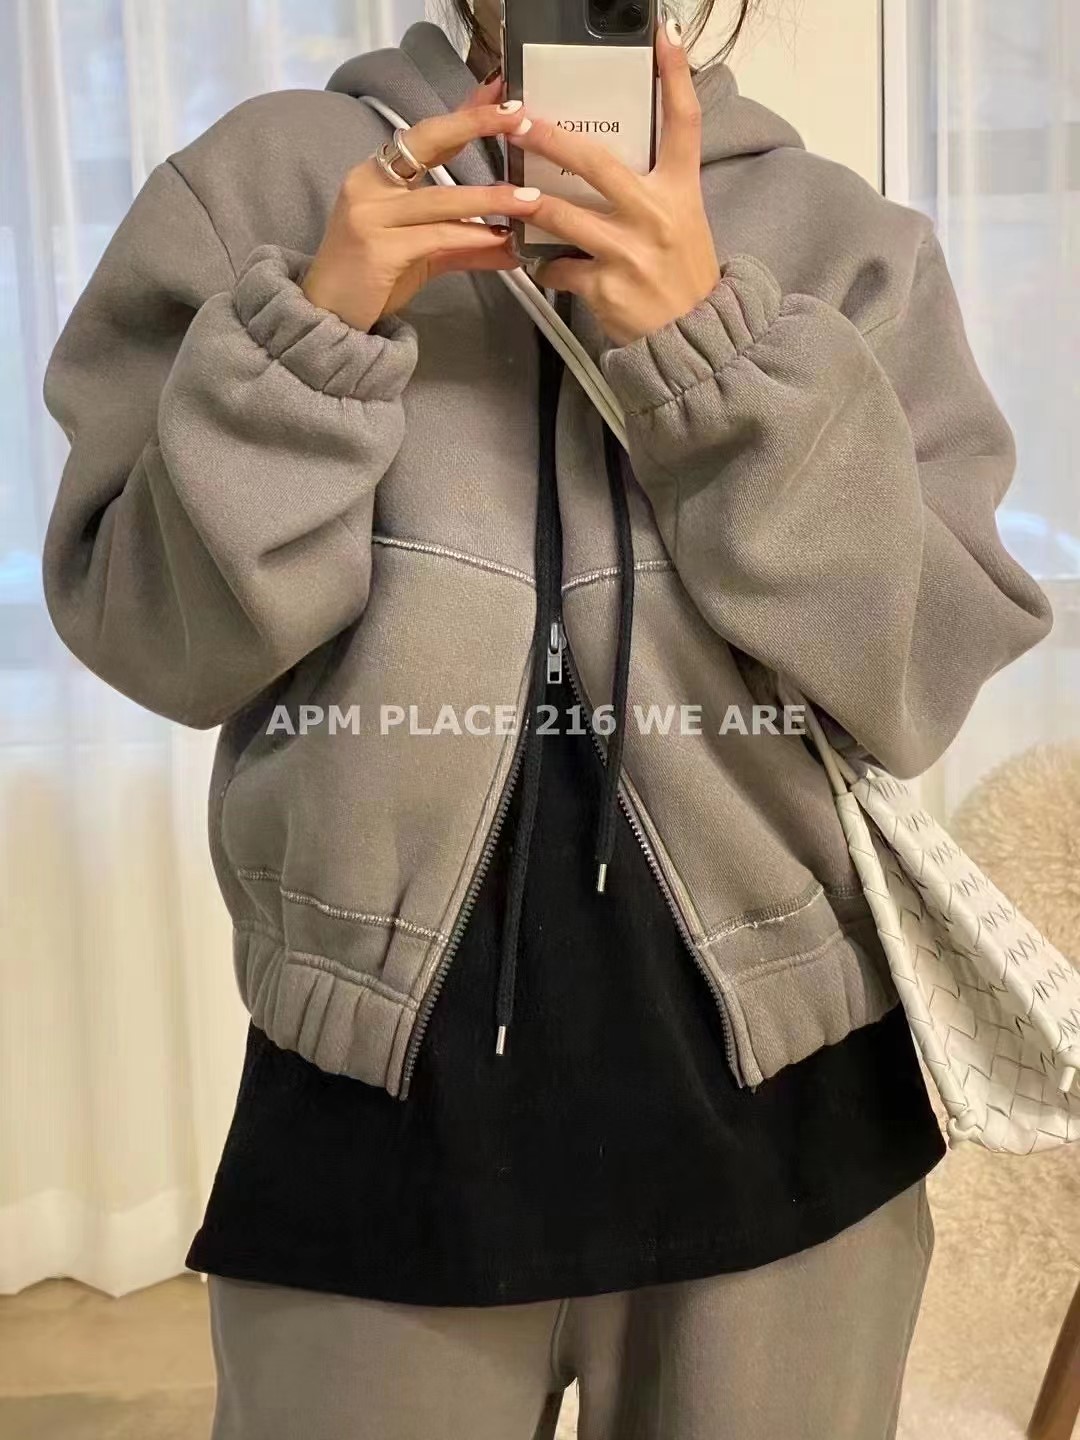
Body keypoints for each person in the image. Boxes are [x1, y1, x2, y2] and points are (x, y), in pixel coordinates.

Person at [41, 2, 1052, 1436]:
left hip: (788, 1104)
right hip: (373, 1103)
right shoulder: (264, 192)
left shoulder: (843, 242)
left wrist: (714, 350)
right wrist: (309, 342)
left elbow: (916, 671)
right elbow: (152, 637)